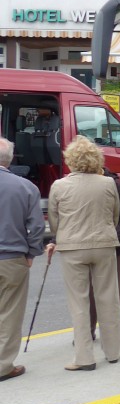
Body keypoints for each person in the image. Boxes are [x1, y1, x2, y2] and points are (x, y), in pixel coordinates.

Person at [47, 137, 120, 371]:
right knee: (108, 298)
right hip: (103, 244)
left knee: (78, 302)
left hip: (72, 247)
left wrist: (60, 238)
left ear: (70, 160)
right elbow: (115, 216)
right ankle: (112, 351)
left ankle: (84, 357)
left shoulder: (59, 186)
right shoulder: (108, 183)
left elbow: (54, 220)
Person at [0, 137, 45, 382]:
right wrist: (31, 253)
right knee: (9, 313)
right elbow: (37, 226)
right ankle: (3, 365)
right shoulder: (26, 187)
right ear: (10, 160)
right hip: (12, 258)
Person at [88, 168, 120, 336]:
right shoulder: (82, 184)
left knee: (114, 290)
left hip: (115, 246)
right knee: (89, 291)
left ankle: (116, 330)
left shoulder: (117, 186)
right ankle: (89, 329)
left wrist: (116, 234)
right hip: (89, 245)